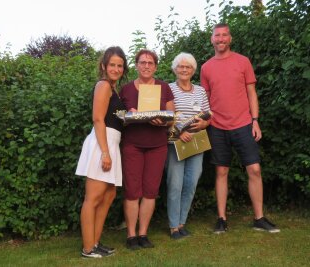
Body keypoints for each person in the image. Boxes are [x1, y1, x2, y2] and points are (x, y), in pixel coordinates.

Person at [200, 23, 280, 234]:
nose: (221, 39)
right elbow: (205, 98)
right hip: (217, 126)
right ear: (212, 39)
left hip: (244, 123)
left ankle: (259, 218)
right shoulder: (206, 67)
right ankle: (221, 219)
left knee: (254, 169)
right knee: (221, 171)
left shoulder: (243, 61)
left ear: (230, 38)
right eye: (217, 35)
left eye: (225, 35)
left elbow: (251, 92)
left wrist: (255, 120)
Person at [75, 46, 128, 258]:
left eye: (120, 65)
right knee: (94, 197)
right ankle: (88, 248)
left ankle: (95, 242)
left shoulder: (113, 89)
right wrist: (105, 152)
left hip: (112, 143)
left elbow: (115, 118)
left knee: (109, 194)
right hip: (102, 143)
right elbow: (97, 118)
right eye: (112, 65)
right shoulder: (103, 85)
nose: (116, 69)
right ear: (104, 66)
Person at [120, 49, 175, 249]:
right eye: (142, 62)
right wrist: (129, 114)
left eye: (150, 63)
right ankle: (131, 236)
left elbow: (172, 117)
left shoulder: (164, 87)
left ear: (156, 66)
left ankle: (143, 234)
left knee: (150, 191)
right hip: (132, 145)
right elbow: (118, 116)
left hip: (157, 146)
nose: (146, 66)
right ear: (136, 65)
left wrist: (163, 122)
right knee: (132, 191)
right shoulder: (125, 89)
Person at [166, 52, 210, 239]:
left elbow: (208, 114)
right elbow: (168, 116)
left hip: (196, 142)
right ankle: (173, 226)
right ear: (175, 69)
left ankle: (182, 223)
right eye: (181, 66)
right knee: (175, 184)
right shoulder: (168, 89)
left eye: (188, 67)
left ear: (193, 70)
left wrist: (204, 124)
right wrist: (180, 132)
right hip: (176, 142)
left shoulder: (200, 91)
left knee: (191, 183)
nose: (184, 69)